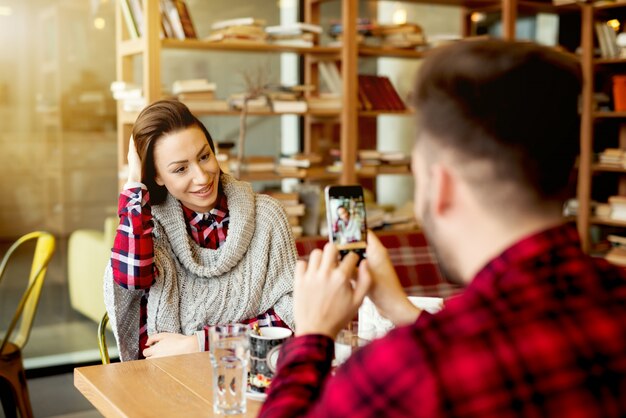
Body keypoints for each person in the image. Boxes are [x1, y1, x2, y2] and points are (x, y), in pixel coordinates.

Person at [259, 40, 626, 417]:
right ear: (570, 174)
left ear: (441, 185)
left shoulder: (409, 370)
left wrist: (312, 337)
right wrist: (401, 310)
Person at [103, 99, 296, 361]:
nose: (203, 177)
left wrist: (202, 343)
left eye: (204, 157)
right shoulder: (150, 227)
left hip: (252, 380)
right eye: (180, 169)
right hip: (173, 383)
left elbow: (291, 318)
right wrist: (134, 184)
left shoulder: (267, 217)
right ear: (157, 176)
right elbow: (131, 280)